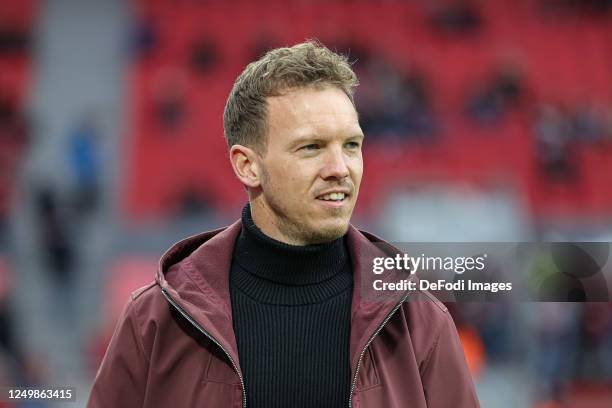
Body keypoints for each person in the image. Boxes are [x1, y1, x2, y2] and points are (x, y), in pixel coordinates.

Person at [88, 41, 479, 408]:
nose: (339, 169)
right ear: (247, 165)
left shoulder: (420, 320)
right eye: (311, 147)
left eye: (351, 145)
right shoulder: (156, 318)